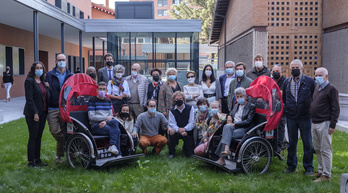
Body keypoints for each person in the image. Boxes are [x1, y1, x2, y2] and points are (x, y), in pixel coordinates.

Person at [283, 59, 315, 175]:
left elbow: (314, 97)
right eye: (293, 68)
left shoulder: (310, 81)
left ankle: (309, 167)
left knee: (307, 142)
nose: (295, 69)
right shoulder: (286, 82)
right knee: (291, 143)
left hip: (305, 117)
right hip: (291, 117)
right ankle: (291, 165)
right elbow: (284, 98)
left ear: (302, 69)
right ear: (290, 69)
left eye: (297, 67)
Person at [311, 67, 340, 182]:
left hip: (325, 123)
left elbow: (335, 108)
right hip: (315, 122)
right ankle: (321, 171)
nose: (317, 77)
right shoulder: (317, 88)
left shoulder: (331, 89)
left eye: (320, 75)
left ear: (326, 76)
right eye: (316, 75)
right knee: (317, 149)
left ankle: (326, 175)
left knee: (325, 149)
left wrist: (333, 125)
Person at [215, 87, 256, 165]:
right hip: (233, 127)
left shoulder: (251, 106)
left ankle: (222, 157)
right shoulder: (236, 105)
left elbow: (248, 121)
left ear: (245, 96)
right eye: (237, 97)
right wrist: (229, 116)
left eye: (241, 96)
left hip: (245, 129)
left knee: (226, 134)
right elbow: (232, 114)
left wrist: (234, 124)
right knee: (226, 127)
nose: (239, 98)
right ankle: (226, 151)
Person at [46, 53, 73, 163]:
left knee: (65, 130)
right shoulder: (49, 74)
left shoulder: (70, 75)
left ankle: (59, 156)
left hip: (66, 108)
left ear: (66, 61)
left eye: (63, 59)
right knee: (56, 131)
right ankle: (69, 149)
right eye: (59, 60)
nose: (61, 61)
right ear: (56, 61)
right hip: (53, 107)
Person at [23, 62, 50, 168]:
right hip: (33, 114)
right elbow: (29, 99)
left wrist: (48, 87)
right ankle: (31, 161)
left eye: (41, 68)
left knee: (39, 137)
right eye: (37, 68)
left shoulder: (43, 82)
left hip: (43, 113)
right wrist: (35, 112)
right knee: (33, 137)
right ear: (33, 69)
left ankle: (37, 159)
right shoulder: (29, 81)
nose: (39, 69)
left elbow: (47, 96)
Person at [88, 82, 121, 156]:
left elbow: (111, 115)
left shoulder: (108, 101)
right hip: (96, 125)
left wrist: (105, 121)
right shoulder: (92, 100)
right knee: (117, 131)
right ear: (97, 90)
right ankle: (117, 152)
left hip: (105, 123)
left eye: (104, 89)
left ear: (106, 91)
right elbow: (91, 116)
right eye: (100, 89)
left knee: (115, 122)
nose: (102, 91)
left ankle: (113, 147)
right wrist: (104, 119)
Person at [167, 91, 195, 158]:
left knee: (190, 154)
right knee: (170, 132)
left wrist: (185, 129)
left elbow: (192, 122)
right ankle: (172, 153)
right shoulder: (172, 110)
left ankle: (186, 148)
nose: (179, 100)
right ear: (174, 101)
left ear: (183, 100)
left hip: (187, 130)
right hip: (176, 131)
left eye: (180, 98)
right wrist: (178, 130)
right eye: (177, 99)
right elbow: (172, 123)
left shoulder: (190, 108)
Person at [271, 64, 287, 153]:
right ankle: (273, 144)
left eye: (277, 71)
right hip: (272, 107)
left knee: (280, 126)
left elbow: (280, 93)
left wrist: (274, 93)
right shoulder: (272, 80)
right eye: (274, 71)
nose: (275, 73)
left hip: (282, 108)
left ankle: (279, 147)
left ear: (281, 72)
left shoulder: (285, 81)